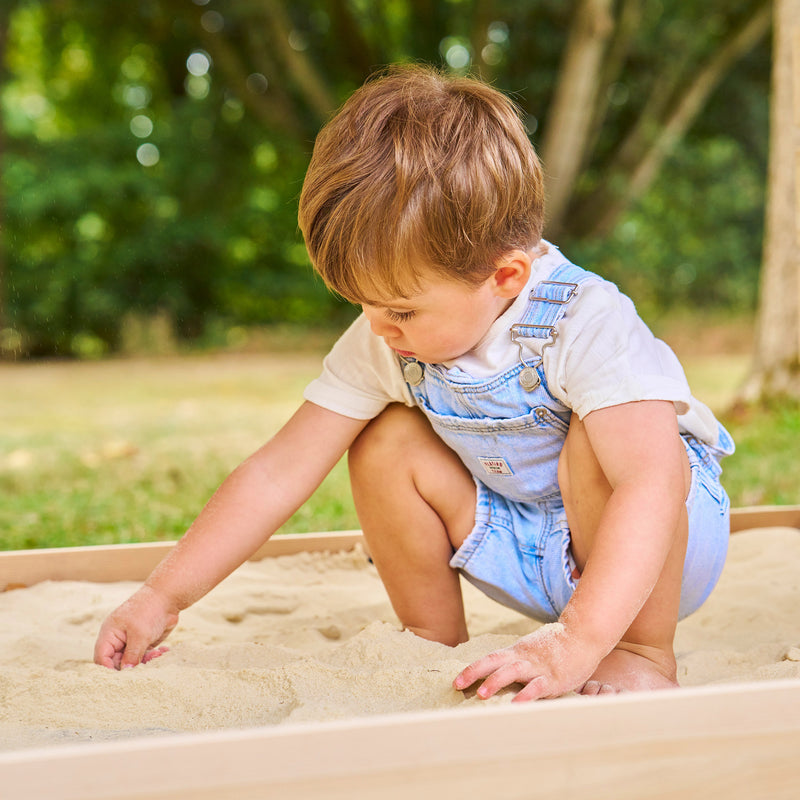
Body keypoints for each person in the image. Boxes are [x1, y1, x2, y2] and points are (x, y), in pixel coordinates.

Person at [94, 64, 734, 700]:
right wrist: (161, 595)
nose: (377, 329)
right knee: (384, 439)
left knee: (606, 440)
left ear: (505, 277)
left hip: (654, 553)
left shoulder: (584, 321)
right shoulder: (388, 336)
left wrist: (579, 639)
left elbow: (652, 484)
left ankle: (641, 653)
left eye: (400, 311)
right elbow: (277, 471)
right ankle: (430, 638)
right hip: (523, 545)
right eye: (362, 304)